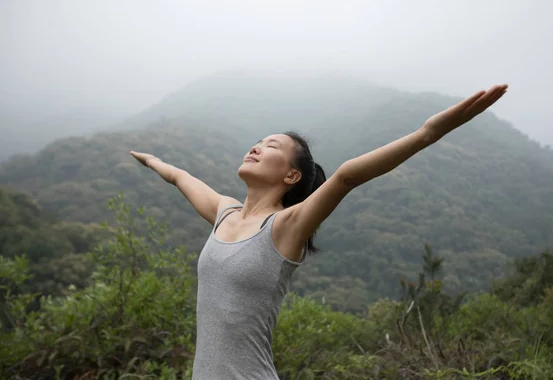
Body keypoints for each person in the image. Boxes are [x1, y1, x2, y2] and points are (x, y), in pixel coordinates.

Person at [130, 84, 508, 379]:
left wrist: (428, 132)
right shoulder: (224, 212)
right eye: (258, 142)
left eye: (271, 145)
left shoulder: (284, 227)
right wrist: (153, 161)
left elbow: (346, 176)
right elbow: (180, 177)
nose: (256, 147)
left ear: (291, 175)